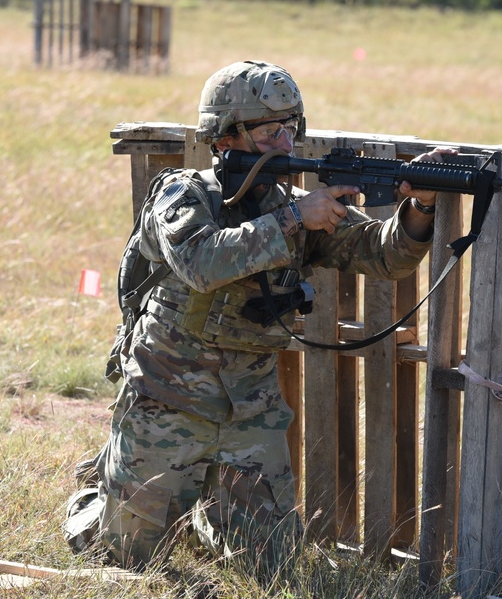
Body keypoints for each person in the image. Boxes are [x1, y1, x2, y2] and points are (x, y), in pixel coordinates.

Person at [64, 60, 451, 578]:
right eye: (269, 130)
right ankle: (98, 495)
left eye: (290, 128)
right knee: (116, 559)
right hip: (168, 401)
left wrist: (419, 207)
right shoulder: (183, 196)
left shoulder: (293, 206)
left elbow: (384, 255)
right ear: (227, 137)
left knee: (270, 570)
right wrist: (293, 218)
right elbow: (202, 264)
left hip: (252, 410)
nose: (285, 143)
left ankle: (207, 515)